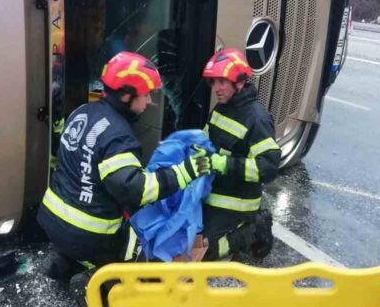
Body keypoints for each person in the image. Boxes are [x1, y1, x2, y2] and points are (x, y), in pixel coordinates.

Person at [38, 51, 210, 288]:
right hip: (90, 233)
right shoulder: (118, 136)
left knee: (78, 233)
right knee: (132, 243)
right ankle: (105, 287)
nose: (150, 101)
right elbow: (134, 191)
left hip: (51, 218)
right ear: (127, 96)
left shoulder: (82, 112)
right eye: (146, 94)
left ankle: (62, 262)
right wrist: (184, 172)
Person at [200, 48, 281, 261]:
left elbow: (269, 168)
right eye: (213, 83)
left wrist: (223, 164)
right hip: (212, 193)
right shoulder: (222, 108)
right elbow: (206, 142)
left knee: (205, 252)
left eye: (222, 82)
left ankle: (253, 230)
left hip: (236, 203)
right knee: (184, 236)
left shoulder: (257, 119)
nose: (216, 89)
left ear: (239, 82)